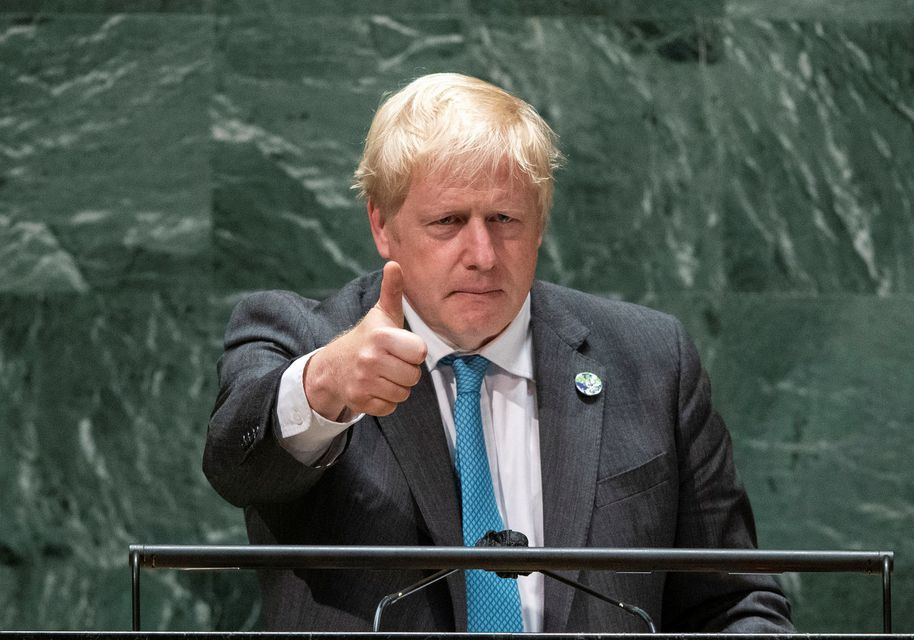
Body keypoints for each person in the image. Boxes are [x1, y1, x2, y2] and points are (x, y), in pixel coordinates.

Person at [203, 72, 793, 633]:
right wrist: (325, 385)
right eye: (449, 222)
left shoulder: (652, 361)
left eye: (505, 218)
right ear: (383, 225)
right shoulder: (298, 338)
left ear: (539, 224)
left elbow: (734, 602)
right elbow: (235, 464)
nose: (483, 254)